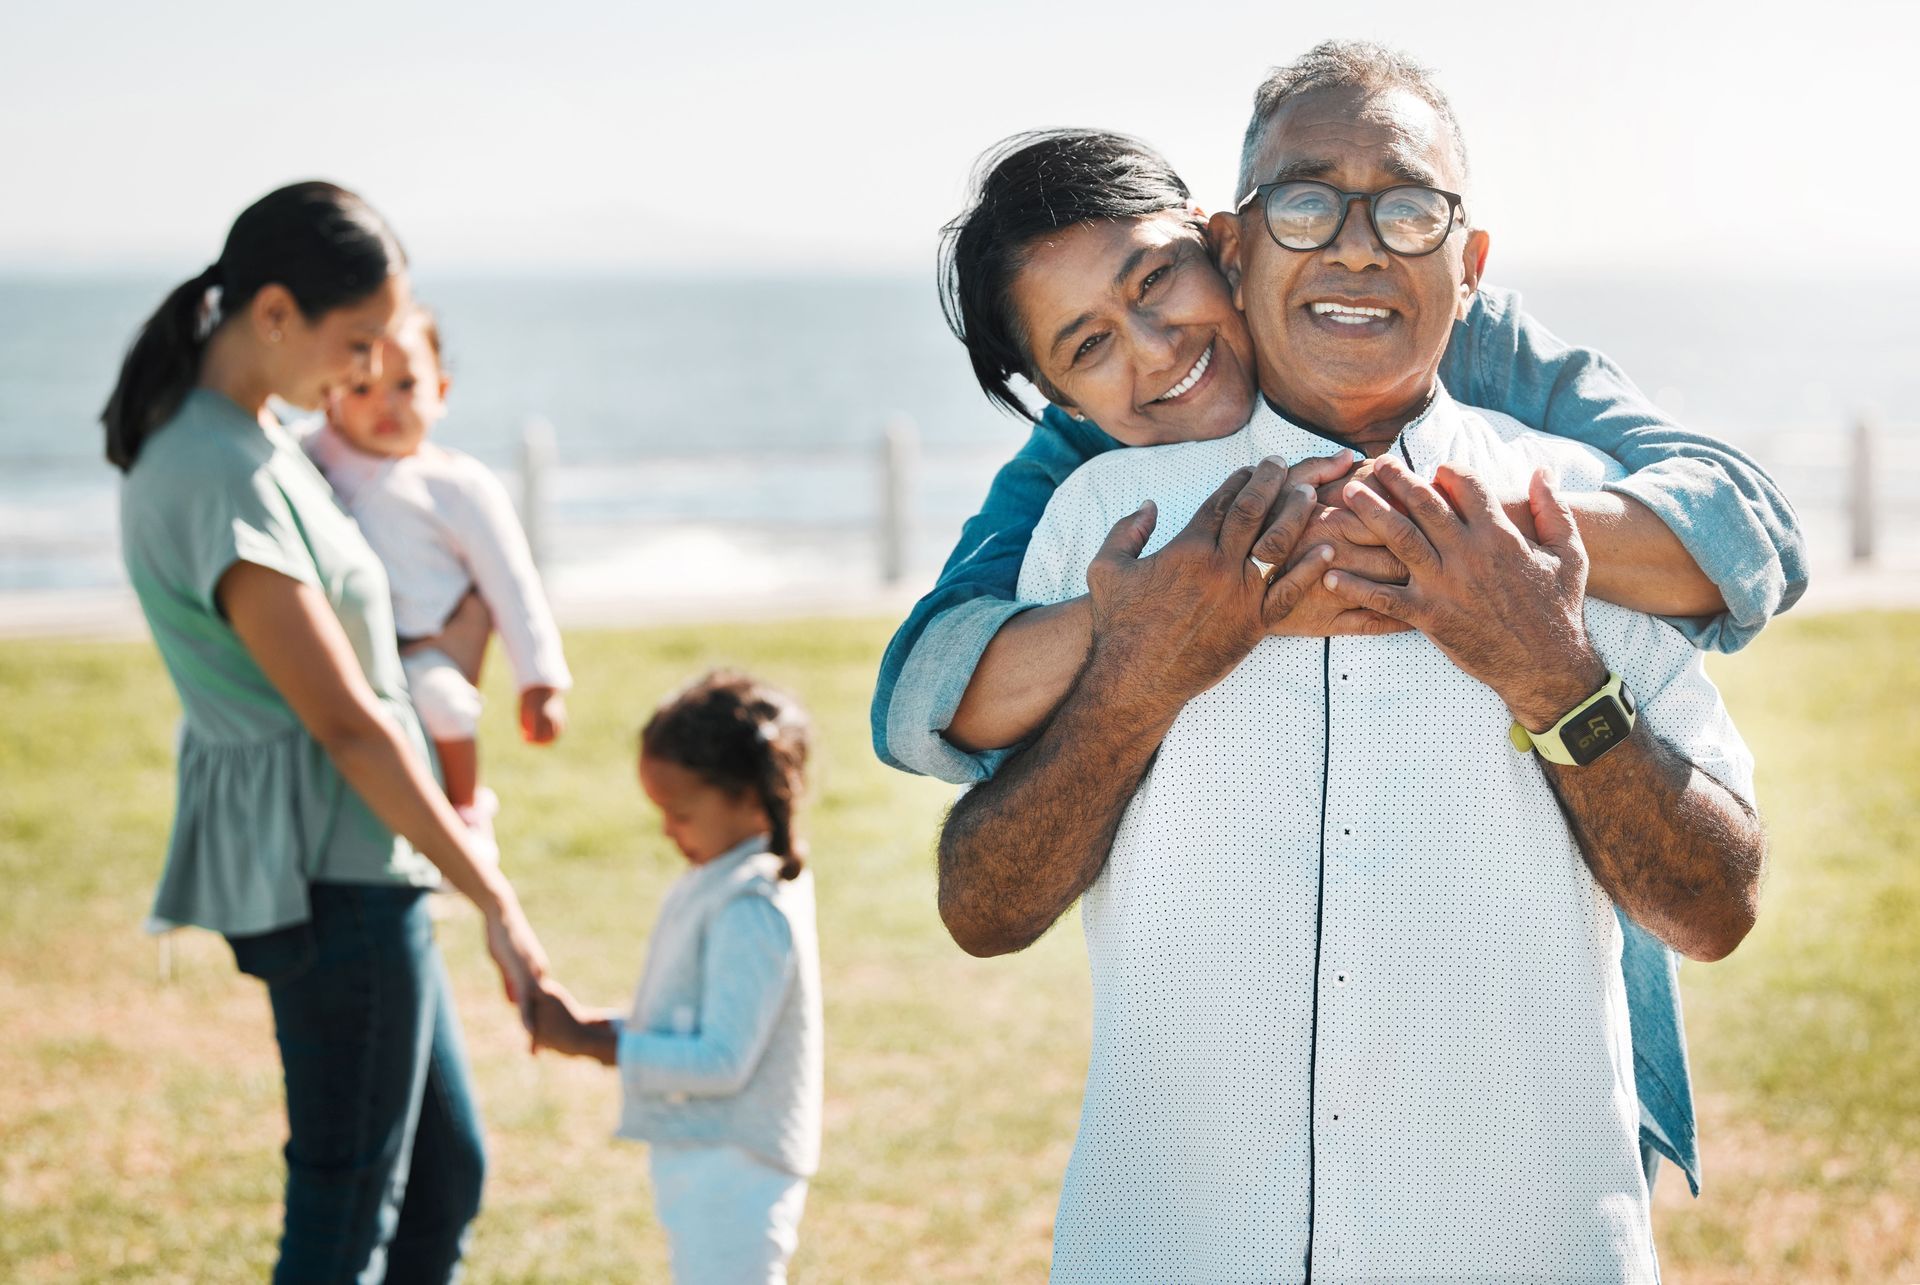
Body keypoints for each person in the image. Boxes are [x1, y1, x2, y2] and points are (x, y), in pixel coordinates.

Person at [922, 43, 1771, 1280]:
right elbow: (981, 911)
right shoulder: (1108, 525)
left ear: (1469, 267)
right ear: (1240, 244)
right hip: (1169, 1247)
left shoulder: (1577, 516)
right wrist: (1143, 674)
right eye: (1308, 201)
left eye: (1411, 206)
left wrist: (1549, 671)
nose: (1360, 246)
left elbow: (1715, 907)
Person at [105, 181, 548, 1283]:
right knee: (345, 1219)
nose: (361, 374)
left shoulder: (251, 440)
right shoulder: (218, 471)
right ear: (271, 315)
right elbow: (347, 723)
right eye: (353, 343)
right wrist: (495, 898)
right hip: (333, 877)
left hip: (361, 862)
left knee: (441, 1182)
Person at [531, 671, 823, 1285]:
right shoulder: (720, 876)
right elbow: (693, 1019)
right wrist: (597, 1025)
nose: (667, 830)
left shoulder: (752, 905)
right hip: (709, 1157)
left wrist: (597, 1045)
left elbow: (721, 1061)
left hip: (736, 1165)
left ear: (749, 795)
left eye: (680, 813)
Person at [307, 303, 572, 856]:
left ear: (442, 390)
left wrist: (539, 682)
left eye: (406, 385)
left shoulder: (458, 486)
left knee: (448, 705)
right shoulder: (315, 458)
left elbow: (514, 583)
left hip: (426, 651)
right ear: (330, 397)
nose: (386, 404)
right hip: (342, 654)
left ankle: (465, 813)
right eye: (362, 388)